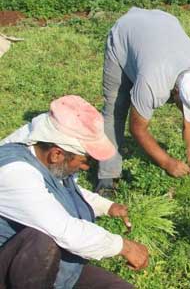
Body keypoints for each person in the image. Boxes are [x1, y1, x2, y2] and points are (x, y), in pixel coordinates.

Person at [0, 95, 149, 288]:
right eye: (85, 160)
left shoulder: (44, 156)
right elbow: (64, 230)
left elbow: (61, 191)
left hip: (52, 266)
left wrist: (106, 206)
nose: (87, 168)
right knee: (41, 241)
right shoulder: (15, 173)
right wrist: (123, 246)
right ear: (57, 154)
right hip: (14, 266)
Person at [97, 7, 190, 194]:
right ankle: (107, 177)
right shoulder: (152, 84)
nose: (187, 115)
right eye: (184, 108)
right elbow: (137, 129)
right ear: (175, 93)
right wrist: (166, 162)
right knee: (115, 108)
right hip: (127, 32)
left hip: (164, 22)